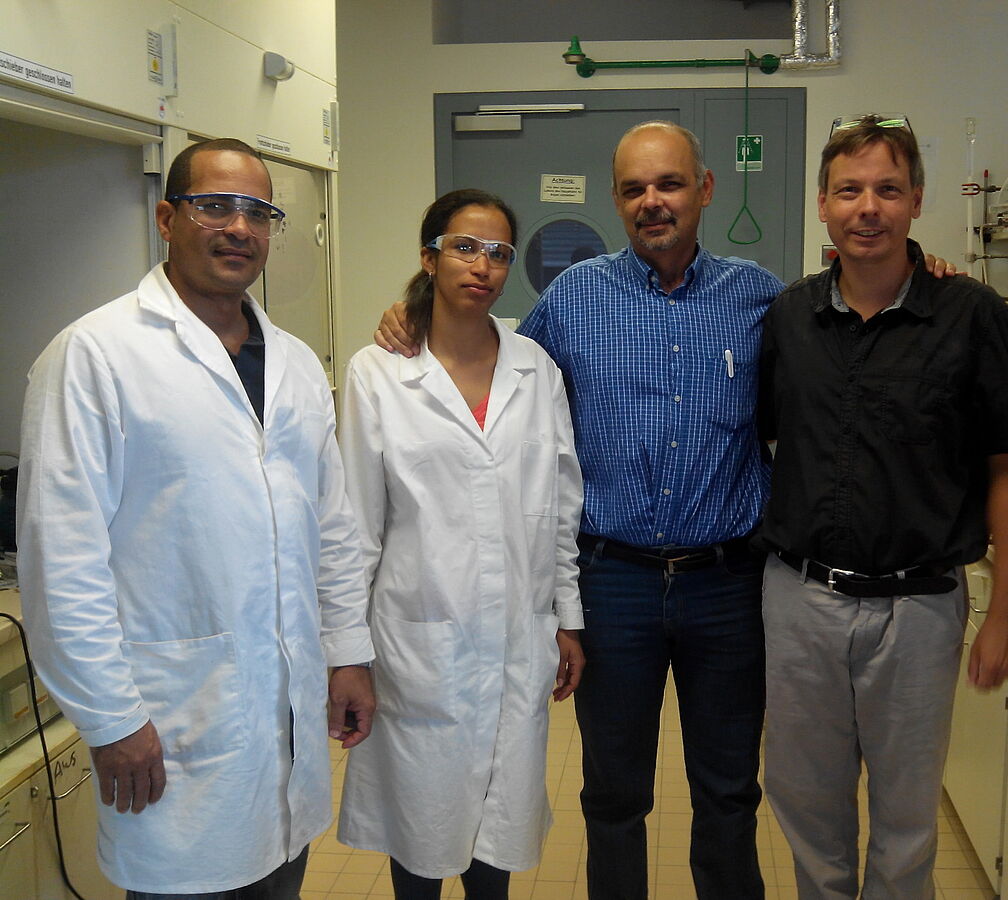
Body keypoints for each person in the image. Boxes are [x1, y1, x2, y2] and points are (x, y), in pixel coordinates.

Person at [375, 121, 955, 900]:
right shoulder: (574, 299)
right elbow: (491, 356)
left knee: (727, 789)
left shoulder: (760, 299)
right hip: (614, 583)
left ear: (704, 190)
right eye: (634, 189)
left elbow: (850, 320)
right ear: (617, 201)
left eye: (670, 184)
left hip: (729, 583)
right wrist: (413, 311)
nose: (653, 202)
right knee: (615, 794)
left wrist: (926, 274)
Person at [17, 138, 375, 900]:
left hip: (281, 727)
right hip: (169, 725)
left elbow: (331, 530)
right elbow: (61, 563)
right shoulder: (93, 357)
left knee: (281, 873)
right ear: (166, 218)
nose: (239, 227)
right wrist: (111, 720)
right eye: (215, 205)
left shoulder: (299, 364)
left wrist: (347, 652)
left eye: (257, 211)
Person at [755, 114, 1008, 899]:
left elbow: (1007, 468)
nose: (868, 207)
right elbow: (763, 438)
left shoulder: (972, 315)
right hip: (802, 600)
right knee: (807, 805)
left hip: (919, 609)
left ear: (917, 200)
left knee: (907, 820)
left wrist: (1006, 611)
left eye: (888, 188)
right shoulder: (788, 318)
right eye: (849, 190)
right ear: (822, 204)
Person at [336, 189, 585, 900]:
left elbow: (562, 506)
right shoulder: (378, 372)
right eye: (465, 247)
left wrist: (569, 617)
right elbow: (357, 526)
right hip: (418, 644)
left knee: (498, 833)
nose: (483, 265)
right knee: (418, 830)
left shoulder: (537, 370)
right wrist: (347, 652)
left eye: (499, 252)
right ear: (430, 256)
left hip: (516, 636)